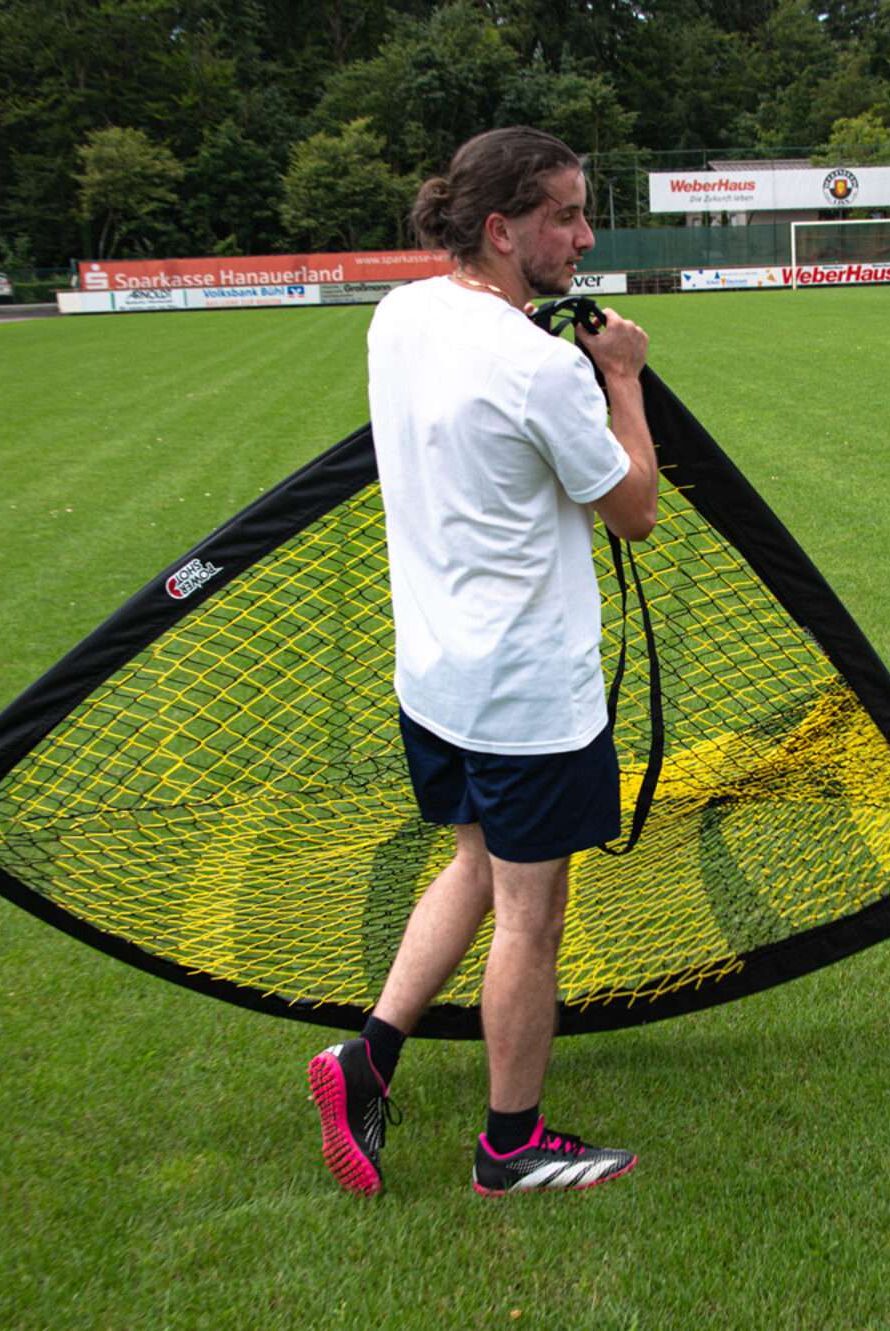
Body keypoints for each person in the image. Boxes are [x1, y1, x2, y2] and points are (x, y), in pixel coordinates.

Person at [306, 126, 657, 1198]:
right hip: (527, 696)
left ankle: (365, 1056)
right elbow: (633, 509)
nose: (583, 235)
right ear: (500, 228)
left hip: (437, 675)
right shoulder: (543, 365)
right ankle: (509, 1144)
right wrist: (622, 377)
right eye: (562, 215)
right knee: (528, 914)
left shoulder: (400, 312)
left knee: (470, 864)